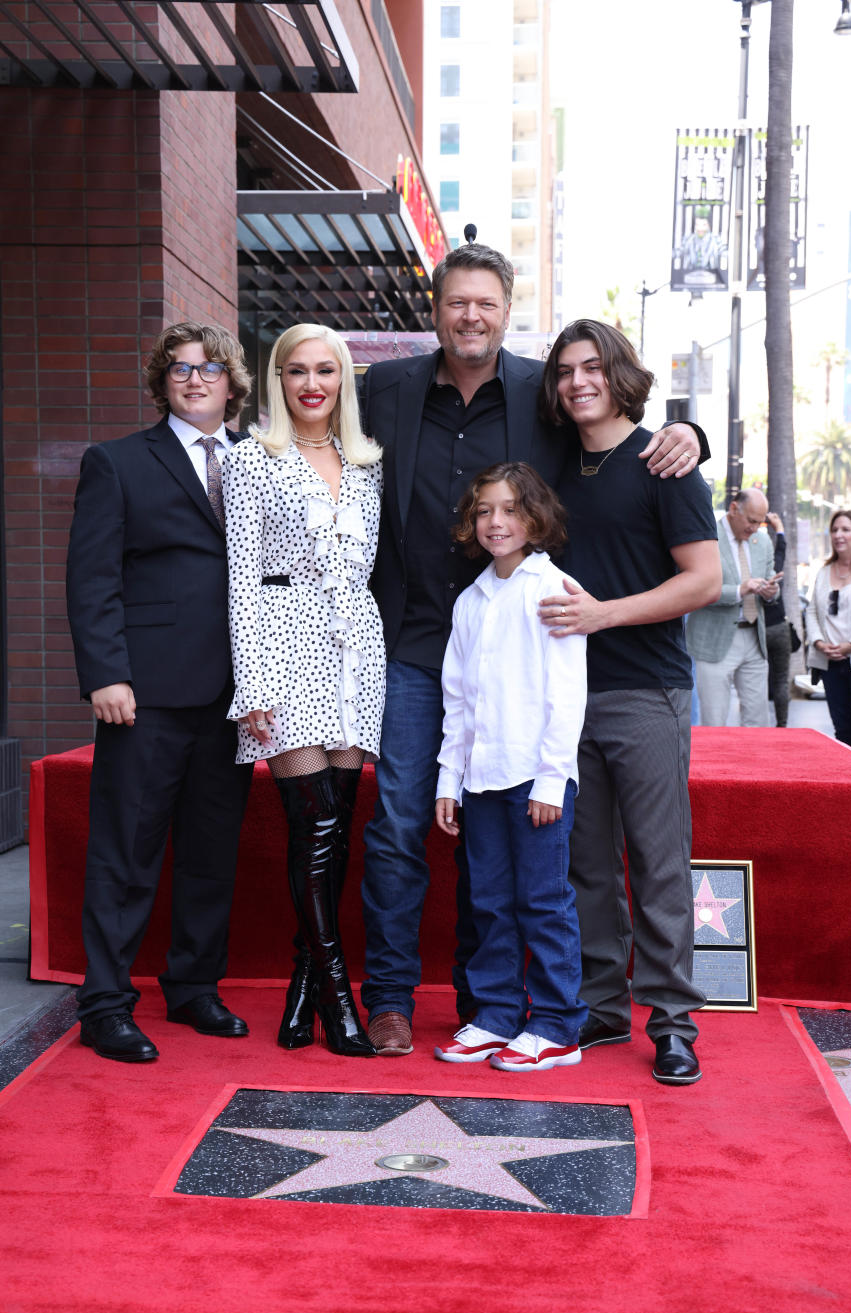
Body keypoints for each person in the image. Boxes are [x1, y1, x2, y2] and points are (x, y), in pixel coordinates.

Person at [357, 242, 707, 1058]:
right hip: (420, 643)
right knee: (412, 824)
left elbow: (615, 438)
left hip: (531, 651)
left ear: (506, 309)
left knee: (535, 838)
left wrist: (688, 433)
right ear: (434, 308)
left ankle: (546, 1006)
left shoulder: (539, 392)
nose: (469, 316)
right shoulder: (386, 389)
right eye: (455, 303)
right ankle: (400, 999)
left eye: (485, 303)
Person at [539, 319, 721, 1085]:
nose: (580, 381)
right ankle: (603, 1004)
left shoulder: (665, 462)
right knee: (584, 866)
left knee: (657, 861)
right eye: (566, 371)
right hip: (561, 697)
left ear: (620, 374)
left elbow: (705, 581)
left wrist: (606, 613)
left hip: (645, 688)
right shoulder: (551, 465)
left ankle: (674, 1021)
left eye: (593, 367)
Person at [66, 322, 254, 1062]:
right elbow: (92, 576)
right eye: (180, 369)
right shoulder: (115, 463)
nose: (196, 379)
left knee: (211, 849)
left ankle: (194, 987)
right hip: (143, 690)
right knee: (126, 849)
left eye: (210, 368)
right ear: (161, 382)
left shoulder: (255, 463)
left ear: (232, 383)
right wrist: (106, 672)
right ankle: (105, 1003)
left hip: (236, 695)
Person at [223, 324, 384, 1057]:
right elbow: (242, 580)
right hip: (284, 646)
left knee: (334, 834)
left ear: (344, 379)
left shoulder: (366, 464)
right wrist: (252, 678)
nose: (312, 383)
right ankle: (338, 999)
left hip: (356, 648)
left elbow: (368, 569)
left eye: (326, 370)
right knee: (313, 827)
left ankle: (299, 992)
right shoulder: (253, 461)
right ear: (277, 379)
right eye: (297, 371)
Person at [433, 463, 588, 1071]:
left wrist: (552, 777)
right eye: (484, 511)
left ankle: (556, 1024)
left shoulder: (553, 590)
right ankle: (496, 1015)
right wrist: (450, 777)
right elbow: (458, 697)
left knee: (543, 900)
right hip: (480, 778)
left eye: (510, 510)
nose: (496, 522)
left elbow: (566, 694)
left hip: (535, 777)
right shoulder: (472, 599)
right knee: (489, 901)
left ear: (535, 518)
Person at [687, 489, 781, 727]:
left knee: (758, 721)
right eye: (751, 521)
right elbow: (695, 588)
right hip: (713, 639)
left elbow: (769, 577)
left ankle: (756, 764)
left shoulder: (763, 541)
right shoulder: (706, 538)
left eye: (760, 523)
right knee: (714, 721)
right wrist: (741, 589)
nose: (754, 528)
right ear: (733, 509)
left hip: (753, 638)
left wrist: (771, 592)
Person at [805, 508, 851, 758]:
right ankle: (849, 788)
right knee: (842, 730)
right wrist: (819, 642)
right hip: (829, 663)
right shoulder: (824, 571)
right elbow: (811, 611)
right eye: (834, 530)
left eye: (845, 529)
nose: (838, 535)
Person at [762, 510, 793, 727]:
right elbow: (781, 550)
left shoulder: (754, 571)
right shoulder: (775, 569)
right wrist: (779, 529)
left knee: (757, 678)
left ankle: (761, 723)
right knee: (781, 680)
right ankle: (782, 725)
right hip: (780, 626)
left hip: (760, 629)